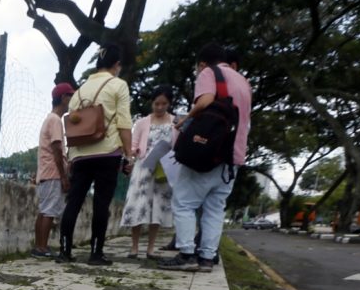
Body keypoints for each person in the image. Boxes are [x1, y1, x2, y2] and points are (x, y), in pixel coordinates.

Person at [159, 43, 251, 273]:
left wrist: (184, 119)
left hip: (207, 152)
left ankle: (187, 253)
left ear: (202, 64)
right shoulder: (243, 81)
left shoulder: (210, 72)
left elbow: (205, 101)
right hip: (233, 155)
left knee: (183, 202)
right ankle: (207, 258)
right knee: (215, 208)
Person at [57, 44, 132, 266]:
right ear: (116, 65)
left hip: (80, 153)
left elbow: (72, 125)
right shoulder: (118, 85)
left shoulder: (78, 92)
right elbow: (124, 123)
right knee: (101, 203)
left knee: (74, 202)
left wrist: (71, 157)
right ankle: (96, 253)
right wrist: (129, 154)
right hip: (107, 151)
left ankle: (64, 250)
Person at [120, 85, 178, 259]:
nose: (160, 107)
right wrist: (132, 156)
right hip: (143, 169)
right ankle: (134, 246)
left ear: (168, 104)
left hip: (164, 171)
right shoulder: (142, 123)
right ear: (152, 103)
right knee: (137, 205)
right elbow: (133, 146)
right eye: (156, 104)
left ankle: (151, 248)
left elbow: (177, 145)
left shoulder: (175, 122)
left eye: (164, 104)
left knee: (157, 208)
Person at [32, 83, 75, 258]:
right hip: (52, 173)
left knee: (44, 211)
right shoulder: (56, 120)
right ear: (64, 98)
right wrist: (64, 176)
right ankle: (42, 248)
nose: (72, 100)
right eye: (70, 96)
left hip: (46, 172)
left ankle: (39, 246)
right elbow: (57, 148)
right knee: (49, 211)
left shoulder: (49, 119)